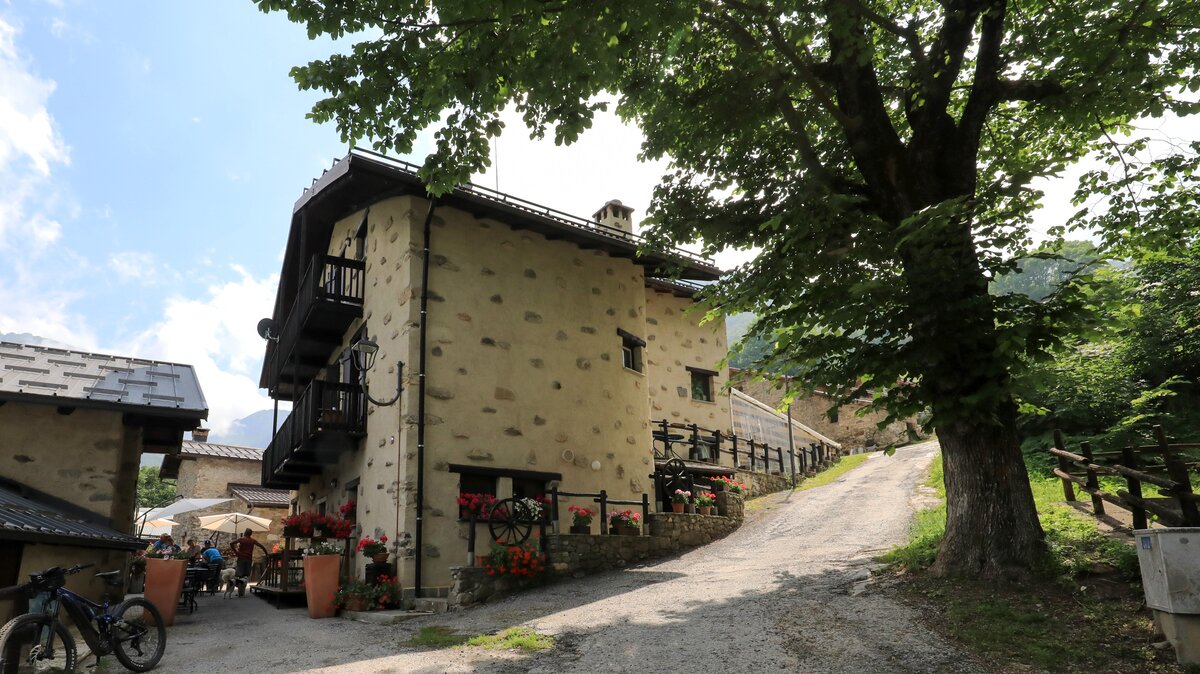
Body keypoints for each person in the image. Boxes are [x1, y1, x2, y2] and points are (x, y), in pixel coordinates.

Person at [230, 529, 268, 596]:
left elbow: (231, 543)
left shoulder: (241, 539)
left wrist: (236, 552)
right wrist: (266, 553)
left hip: (241, 558)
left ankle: (239, 592)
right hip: (248, 559)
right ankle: (242, 592)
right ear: (250, 534)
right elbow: (261, 546)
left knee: (240, 575)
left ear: (245, 533)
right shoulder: (252, 540)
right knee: (245, 576)